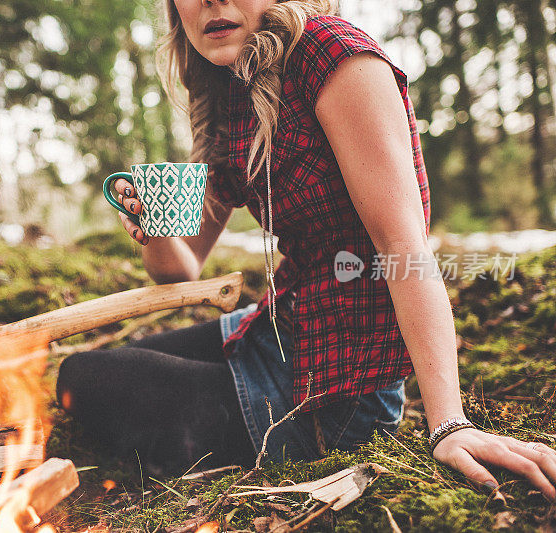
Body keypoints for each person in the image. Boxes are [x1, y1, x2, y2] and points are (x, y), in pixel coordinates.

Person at [56, 0, 556, 500]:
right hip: (278, 328)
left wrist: (449, 423)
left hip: (330, 395)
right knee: (85, 373)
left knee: (87, 377)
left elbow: (403, 249)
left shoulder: (336, 58)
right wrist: (155, 224)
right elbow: (181, 272)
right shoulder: (227, 85)